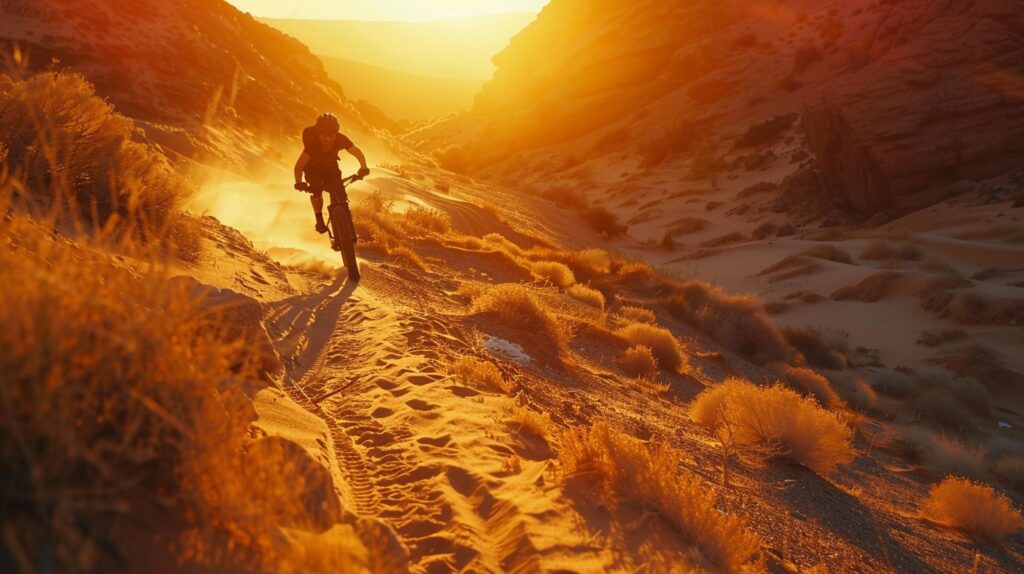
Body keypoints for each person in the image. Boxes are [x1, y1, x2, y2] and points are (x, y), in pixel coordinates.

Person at [293, 112, 370, 234]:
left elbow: (356, 152)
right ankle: (319, 220)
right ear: (318, 133)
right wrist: (299, 182)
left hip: (330, 168)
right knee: (316, 190)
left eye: (331, 135)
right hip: (312, 169)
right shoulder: (312, 143)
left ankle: (345, 222)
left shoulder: (341, 139)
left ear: (336, 133)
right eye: (323, 136)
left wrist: (363, 167)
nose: (327, 139)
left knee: (340, 194)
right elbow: (299, 166)